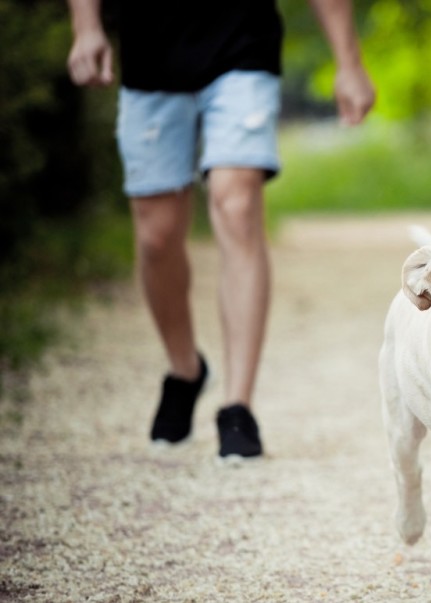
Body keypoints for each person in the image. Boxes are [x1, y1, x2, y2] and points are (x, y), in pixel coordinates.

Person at [66, 0, 375, 461]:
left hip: (243, 49)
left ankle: (238, 406)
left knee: (237, 202)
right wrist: (86, 25)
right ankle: (186, 370)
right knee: (157, 233)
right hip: (150, 57)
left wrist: (348, 62)